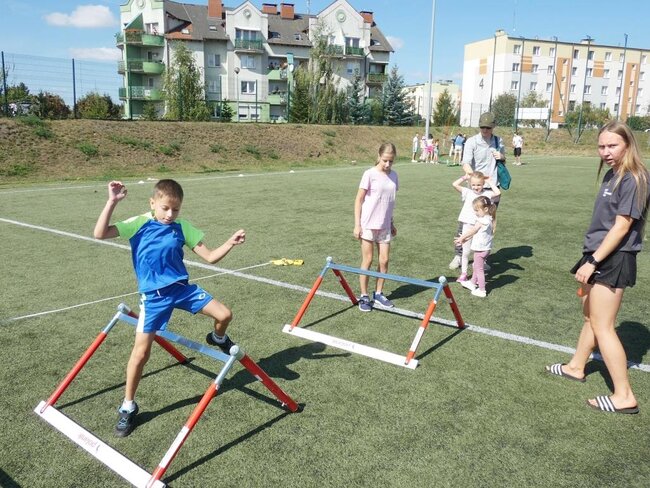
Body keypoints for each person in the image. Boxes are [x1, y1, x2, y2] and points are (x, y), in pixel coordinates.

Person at [93, 179, 246, 436]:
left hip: (182, 291)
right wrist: (112, 202)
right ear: (152, 203)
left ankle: (217, 338)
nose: (169, 214)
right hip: (153, 298)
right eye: (165, 208)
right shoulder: (139, 223)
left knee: (225, 315)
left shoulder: (182, 227)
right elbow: (100, 233)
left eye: (175, 209)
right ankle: (128, 405)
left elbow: (210, 257)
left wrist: (230, 242)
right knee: (141, 353)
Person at [545, 121, 649, 414]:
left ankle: (624, 395)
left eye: (612, 145)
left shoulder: (634, 178)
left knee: (603, 326)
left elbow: (622, 226)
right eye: (601, 146)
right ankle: (576, 366)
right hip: (597, 253)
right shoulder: (611, 174)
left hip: (613, 257)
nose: (606, 152)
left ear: (628, 144)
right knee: (590, 316)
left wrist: (593, 262)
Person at [353, 143, 398, 312]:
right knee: (368, 260)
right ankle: (364, 296)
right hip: (368, 224)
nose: (387, 164)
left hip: (385, 225)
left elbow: (390, 202)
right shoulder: (369, 174)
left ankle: (378, 293)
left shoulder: (394, 176)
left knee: (384, 260)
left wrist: (391, 222)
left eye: (391, 161)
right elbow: (358, 200)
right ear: (379, 156)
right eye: (385, 160)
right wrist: (357, 224)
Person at [451, 172, 500, 282]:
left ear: (483, 184)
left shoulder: (486, 194)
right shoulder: (467, 192)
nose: (476, 187)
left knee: (478, 251)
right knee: (466, 251)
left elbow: (497, 192)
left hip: (481, 228)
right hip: (468, 224)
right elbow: (454, 184)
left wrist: (489, 182)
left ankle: (477, 274)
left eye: (479, 184)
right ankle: (464, 273)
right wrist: (465, 177)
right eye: (473, 184)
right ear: (470, 184)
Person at [454, 195, 497, 298]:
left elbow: (472, 231)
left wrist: (461, 238)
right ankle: (472, 283)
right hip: (485, 249)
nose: (475, 213)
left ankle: (482, 290)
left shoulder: (482, 221)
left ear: (485, 209)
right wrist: (464, 239)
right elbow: (475, 233)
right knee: (476, 266)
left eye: (477, 210)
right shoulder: (489, 218)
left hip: (480, 250)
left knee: (479, 269)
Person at [462, 112, 505, 188]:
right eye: (482, 127)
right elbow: (466, 164)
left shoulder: (498, 141)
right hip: (476, 187)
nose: (485, 130)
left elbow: (503, 161)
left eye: (488, 128)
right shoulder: (471, 142)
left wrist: (502, 157)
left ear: (493, 127)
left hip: (493, 185)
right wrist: (475, 178)